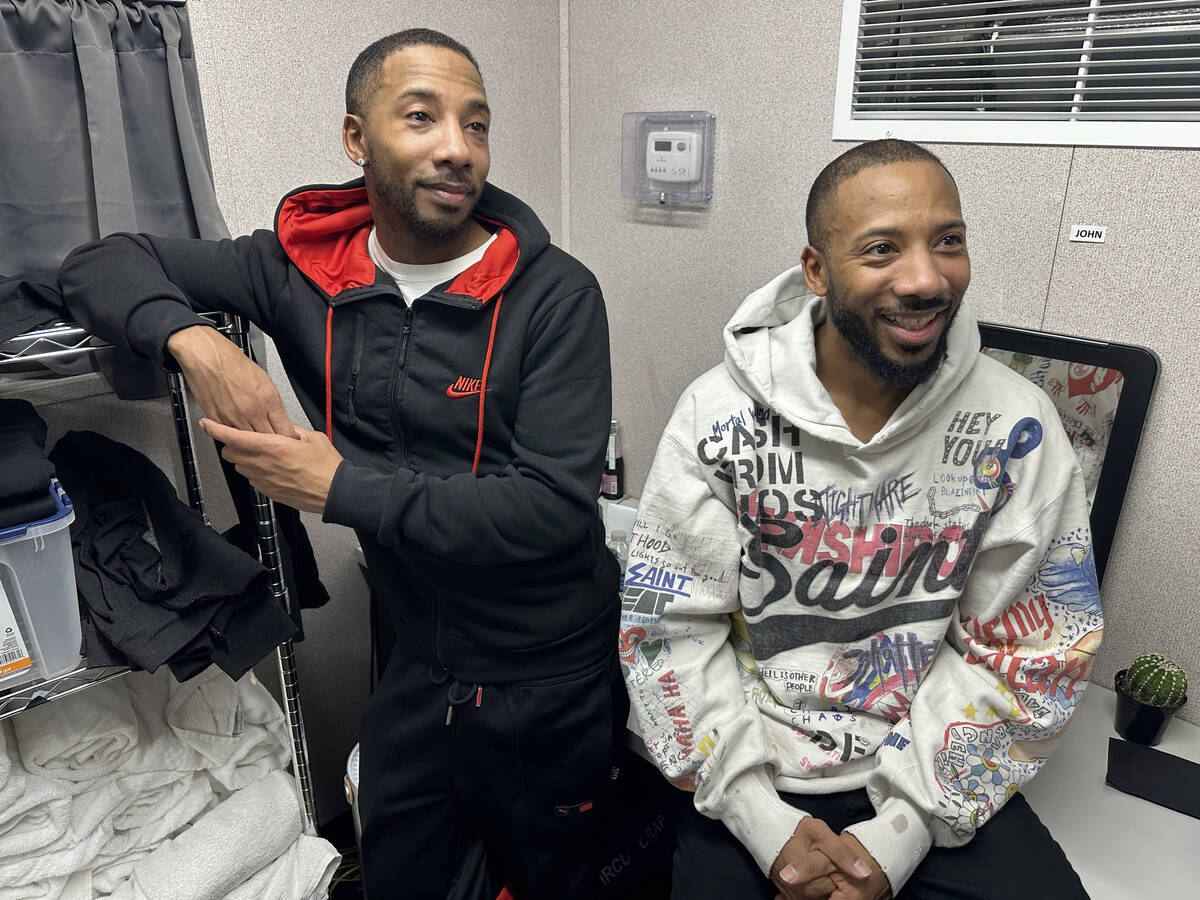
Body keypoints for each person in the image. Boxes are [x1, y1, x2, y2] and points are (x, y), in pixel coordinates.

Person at [59, 29, 624, 900]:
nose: (456, 148)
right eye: (422, 117)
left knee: (550, 877)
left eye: (476, 126)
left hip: (543, 667)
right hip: (417, 650)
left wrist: (339, 489)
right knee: (399, 861)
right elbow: (100, 263)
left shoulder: (554, 294)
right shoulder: (300, 271)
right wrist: (199, 343)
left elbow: (550, 508)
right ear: (357, 139)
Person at [620, 139, 1099, 900]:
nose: (926, 278)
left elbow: (1033, 649)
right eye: (882, 249)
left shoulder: (1018, 427)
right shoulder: (717, 415)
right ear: (817, 270)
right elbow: (668, 628)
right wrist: (759, 820)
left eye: (949, 241)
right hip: (752, 769)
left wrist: (901, 832)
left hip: (933, 771)